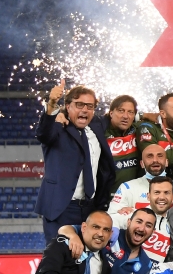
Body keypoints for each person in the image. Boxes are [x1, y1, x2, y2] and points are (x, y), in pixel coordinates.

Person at [35, 80, 116, 242]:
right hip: (60, 207)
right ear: (67, 105)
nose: (85, 110)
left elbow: (120, 115)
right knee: (59, 257)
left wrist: (143, 116)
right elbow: (44, 133)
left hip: (91, 208)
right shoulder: (57, 125)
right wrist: (51, 104)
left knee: (87, 260)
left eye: (90, 106)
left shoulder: (96, 125)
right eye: (79, 105)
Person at [58, 208, 158, 274]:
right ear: (129, 222)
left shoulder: (146, 265)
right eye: (139, 222)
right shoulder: (110, 233)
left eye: (148, 225)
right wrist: (73, 236)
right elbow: (64, 229)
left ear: (153, 232)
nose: (141, 228)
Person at [107, 143, 173, 227]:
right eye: (149, 156)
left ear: (166, 162)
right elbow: (112, 218)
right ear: (142, 164)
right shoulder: (127, 187)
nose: (155, 160)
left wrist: (135, 212)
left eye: (160, 156)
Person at [104, 94, 142, 188]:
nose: (126, 116)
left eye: (130, 112)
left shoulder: (139, 130)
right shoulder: (99, 132)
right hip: (105, 197)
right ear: (111, 113)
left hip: (133, 196)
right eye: (121, 111)